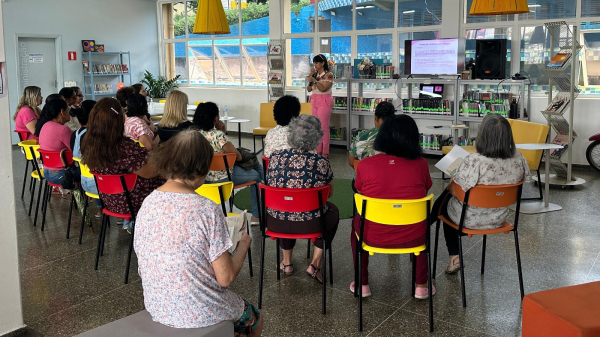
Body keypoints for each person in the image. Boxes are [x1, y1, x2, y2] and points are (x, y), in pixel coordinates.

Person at [135, 130, 263, 336]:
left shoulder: (148, 202)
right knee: (254, 319)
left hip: (158, 305)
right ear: (204, 167)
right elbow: (226, 277)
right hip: (199, 311)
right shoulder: (206, 209)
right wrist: (243, 245)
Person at [350, 115, 434, 299]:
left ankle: (362, 283)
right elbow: (426, 189)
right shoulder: (421, 164)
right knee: (423, 221)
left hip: (373, 234)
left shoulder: (364, 165)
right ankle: (421, 285)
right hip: (414, 235)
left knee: (356, 224)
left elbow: (359, 190)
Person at [439, 113, 530, 274]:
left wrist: (453, 180)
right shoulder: (519, 158)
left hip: (467, 220)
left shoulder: (474, 160)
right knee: (446, 204)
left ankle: (452, 255)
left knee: (443, 205)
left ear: (482, 136)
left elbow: (458, 193)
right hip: (498, 218)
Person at [266, 115, 339, 282]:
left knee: (284, 205)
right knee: (333, 210)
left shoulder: (275, 158)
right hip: (312, 223)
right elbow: (330, 193)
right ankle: (315, 264)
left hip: (276, 221)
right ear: (316, 138)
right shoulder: (321, 162)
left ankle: (287, 263)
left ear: (290, 135)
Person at [80, 98, 164, 232]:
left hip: (109, 200)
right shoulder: (122, 148)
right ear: (117, 120)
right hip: (132, 201)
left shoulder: (89, 144)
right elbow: (152, 172)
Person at [194, 102, 264, 224]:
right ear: (215, 118)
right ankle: (256, 216)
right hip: (224, 177)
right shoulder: (218, 135)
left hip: (203, 179)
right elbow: (238, 157)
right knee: (256, 176)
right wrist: (223, 132)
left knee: (257, 168)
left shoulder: (194, 136)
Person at [37, 99, 80, 186]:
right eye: (67, 110)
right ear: (62, 112)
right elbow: (77, 151)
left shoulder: (45, 125)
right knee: (92, 174)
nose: (69, 113)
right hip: (62, 175)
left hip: (46, 172)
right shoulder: (63, 130)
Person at [70, 100, 102, 215]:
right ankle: (124, 219)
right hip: (98, 185)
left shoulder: (75, 134)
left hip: (84, 182)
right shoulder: (96, 136)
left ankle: (100, 209)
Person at [348, 101, 396, 167]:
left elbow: (351, 162)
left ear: (375, 117)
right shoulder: (399, 136)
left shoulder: (362, 135)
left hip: (366, 175)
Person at [306, 54, 334, 158]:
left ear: (322, 63)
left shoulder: (328, 75)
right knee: (316, 126)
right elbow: (309, 89)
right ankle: (318, 150)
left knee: (323, 127)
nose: (315, 65)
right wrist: (311, 77)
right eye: (314, 63)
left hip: (324, 100)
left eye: (317, 63)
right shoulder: (314, 74)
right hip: (314, 100)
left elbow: (323, 88)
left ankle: (325, 152)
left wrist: (315, 81)